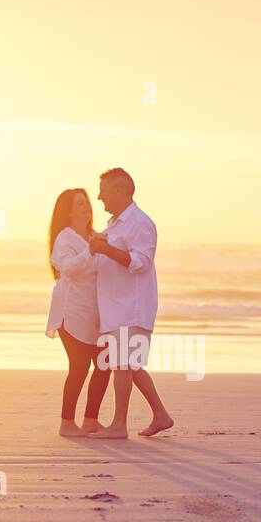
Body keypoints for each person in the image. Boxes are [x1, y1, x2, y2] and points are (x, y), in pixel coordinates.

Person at [87, 167, 174, 439]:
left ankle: (118, 426)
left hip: (132, 307)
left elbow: (140, 262)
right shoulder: (115, 224)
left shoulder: (140, 223)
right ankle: (161, 415)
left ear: (120, 190)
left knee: (123, 366)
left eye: (103, 191)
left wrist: (105, 249)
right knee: (131, 366)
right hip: (115, 307)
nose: (99, 197)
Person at [44, 188, 110, 436]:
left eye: (87, 203)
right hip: (70, 312)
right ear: (69, 210)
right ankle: (67, 423)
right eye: (80, 204)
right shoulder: (66, 237)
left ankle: (91, 419)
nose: (86, 207)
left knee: (105, 364)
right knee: (79, 366)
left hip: (95, 313)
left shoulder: (95, 235)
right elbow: (69, 268)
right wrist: (90, 251)